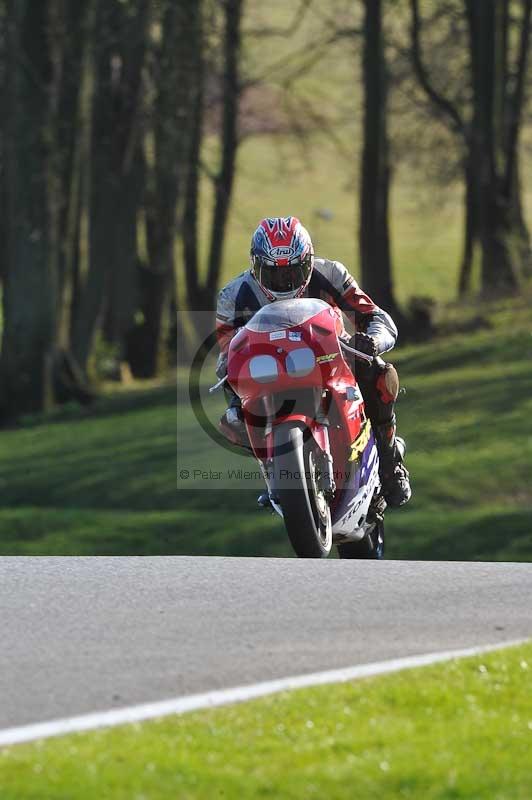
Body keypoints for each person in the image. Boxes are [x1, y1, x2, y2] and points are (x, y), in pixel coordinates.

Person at [215, 216, 411, 508]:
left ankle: (389, 460)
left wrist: (371, 341)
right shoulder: (233, 295)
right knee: (234, 417)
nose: (285, 282)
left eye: (293, 272)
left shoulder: (331, 273)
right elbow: (227, 352)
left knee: (381, 374)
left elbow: (376, 317)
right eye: (273, 274)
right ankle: (273, 473)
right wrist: (233, 377)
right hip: (271, 370)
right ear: (255, 267)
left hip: (332, 356)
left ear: (308, 261)